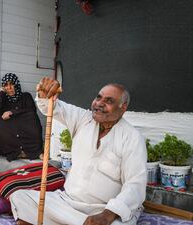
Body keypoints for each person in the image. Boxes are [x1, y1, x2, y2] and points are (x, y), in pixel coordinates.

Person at [10, 77, 147, 225]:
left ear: (123, 107)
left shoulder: (132, 137)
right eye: (98, 97)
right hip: (67, 203)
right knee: (19, 197)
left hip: (104, 210)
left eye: (108, 101)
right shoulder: (84, 118)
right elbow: (52, 107)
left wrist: (107, 216)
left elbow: (135, 184)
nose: (99, 103)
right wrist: (45, 93)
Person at [0, 73, 43, 161]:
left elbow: (31, 110)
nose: (9, 87)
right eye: (5, 85)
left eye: (11, 84)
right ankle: (15, 151)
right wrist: (1, 94)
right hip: (12, 130)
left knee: (32, 116)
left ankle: (36, 152)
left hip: (24, 127)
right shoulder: (3, 99)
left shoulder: (26, 96)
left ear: (16, 84)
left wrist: (12, 112)